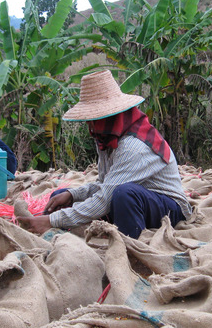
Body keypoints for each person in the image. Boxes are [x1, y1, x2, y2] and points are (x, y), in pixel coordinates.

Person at [17, 69, 192, 239]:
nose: (90, 127)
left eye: (94, 120)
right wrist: (72, 194)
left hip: (169, 207)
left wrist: (51, 221)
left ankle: (128, 242)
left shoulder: (133, 146)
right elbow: (104, 184)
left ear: (110, 117)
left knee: (124, 195)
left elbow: (105, 198)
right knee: (60, 197)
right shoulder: (107, 139)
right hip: (128, 199)